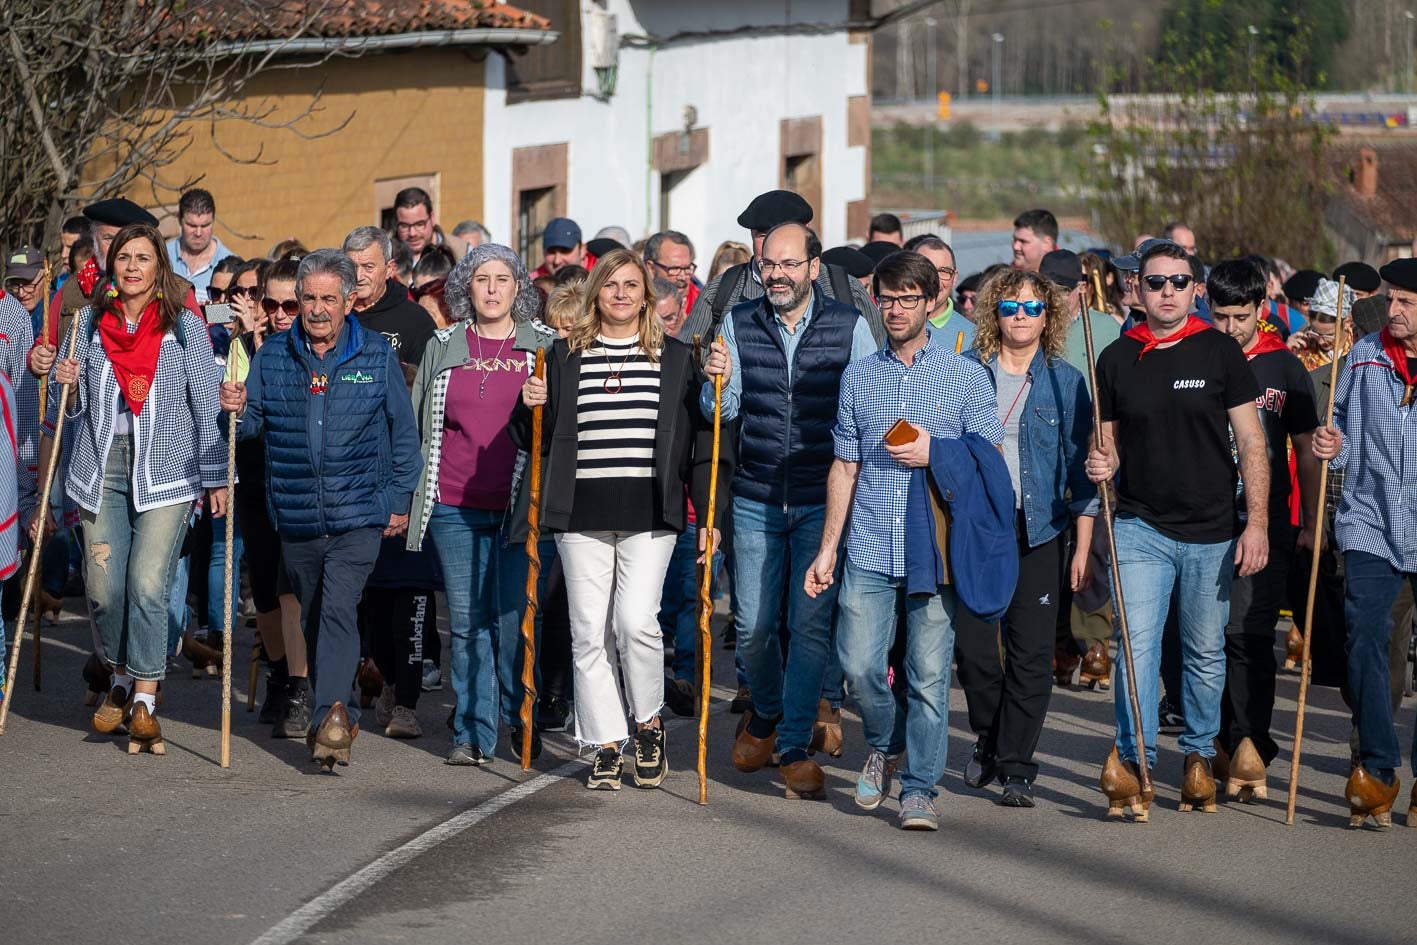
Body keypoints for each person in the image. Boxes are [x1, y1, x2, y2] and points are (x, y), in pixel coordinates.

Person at [512, 247, 729, 790]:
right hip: (580, 512)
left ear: (646, 296)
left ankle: (648, 721)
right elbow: (531, 441)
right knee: (588, 632)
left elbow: (706, 443)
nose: (622, 295)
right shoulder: (561, 357)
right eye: (611, 286)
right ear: (595, 294)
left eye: (632, 286)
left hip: (650, 513)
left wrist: (708, 514)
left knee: (634, 623)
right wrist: (528, 403)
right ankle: (605, 742)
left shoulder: (678, 358)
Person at [806, 250, 1004, 830]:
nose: (895, 310)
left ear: (931, 301)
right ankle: (884, 740)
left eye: (907, 299)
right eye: (886, 299)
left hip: (935, 550)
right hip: (868, 543)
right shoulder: (859, 376)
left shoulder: (966, 374)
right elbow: (844, 466)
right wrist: (827, 548)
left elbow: (989, 461)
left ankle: (920, 788)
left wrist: (934, 452)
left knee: (927, 675)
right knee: (860, 666)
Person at [1087, 239, 1269, 819]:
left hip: (1212, 530)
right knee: (1135, 648)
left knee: (1203, 651)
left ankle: (1195, 759)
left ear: (1195, 289)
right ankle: (1134, 761)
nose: (1167, 291)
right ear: (1137, 288)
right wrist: (1100, 460)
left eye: (1178, 282)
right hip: (1139, 526)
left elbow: (1251, 443)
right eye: (1156, 281)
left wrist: (1257, 523)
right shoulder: (1116, 357)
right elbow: (1106, 443)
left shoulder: (1219, 352)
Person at [220, 249, 422, 769]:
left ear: (349, 301)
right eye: (308, 298)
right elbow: (249, 430)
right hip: (297, 514)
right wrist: (235, 411)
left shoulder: (375, 356)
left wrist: (399, 500)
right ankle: (343, 705)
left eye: (328, 299)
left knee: (336, 607)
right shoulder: (272, 357)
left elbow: (405, 436)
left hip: (359, 512)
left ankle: (329, 720)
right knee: (312, 615)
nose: (316, 309)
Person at [702, 222, 876, 799]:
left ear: (813, 266)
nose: (776, 274)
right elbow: (722, 414)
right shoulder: (739, 322)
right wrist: (714, 382)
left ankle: (794, 744)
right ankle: (769, 713)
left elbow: (871, 406)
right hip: (754, 496)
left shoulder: (849, 326)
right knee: (751, 627)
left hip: (821, 498)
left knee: (808, 626)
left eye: (788, 264)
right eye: (767, 265)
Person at [40, 223, 226, 756]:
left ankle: (143, 697)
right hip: (101, 469)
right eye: (125, 258)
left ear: (158, 268)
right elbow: (70, 415)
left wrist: (215, 475)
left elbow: (204, 402)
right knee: (103, 588)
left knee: (147, 584)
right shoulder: (89, 326)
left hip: (167, 471)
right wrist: (66, 383)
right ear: (113, 266)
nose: (133, 267)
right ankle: (119, 677)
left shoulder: (184, 328)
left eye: (144, 258)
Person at [953, 266, 1098, 808]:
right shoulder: (964, 371)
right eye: (1011, 306)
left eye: (1032, 307)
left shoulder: (1066, 381)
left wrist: (1083, 546)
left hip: (1040, 529)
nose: (1020, 316)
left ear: (1048, 316)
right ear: (994, 310)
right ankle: (991, 736)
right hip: (977, 526)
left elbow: (1079, 471)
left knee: (1032, 654)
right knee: (973, 652)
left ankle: (1016, 765)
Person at [406, 243, 553, 766]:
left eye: (503, 279)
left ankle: (520, 719)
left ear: (520, 288)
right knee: (467, 624)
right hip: (454, 505)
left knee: (515, 622)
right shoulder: (443, 345)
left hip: (522, 509)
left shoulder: (545, 346)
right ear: (465, 287)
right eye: (481, 279)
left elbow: (560, 432)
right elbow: (419, 423)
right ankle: (471, 731)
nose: (492, 289)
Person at [1204, 258, 1321, 804]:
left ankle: (1251, 743)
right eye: (1221, 316)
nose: (1230, 328)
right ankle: (1220, 740)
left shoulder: (1284, 367)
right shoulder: (1197, 356)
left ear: (1261, 311)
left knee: (1249, 634)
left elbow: (1304, 449)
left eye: (1241, 317)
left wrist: (1312, 520)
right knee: (1205, 636)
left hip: (1266, 520)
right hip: (1202, 518)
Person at [1312, 257, 1417, 828]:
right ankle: (1378, 766)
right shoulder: (1364, 358)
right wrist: (1334, 446)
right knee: (1364, 643)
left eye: (1405, 302)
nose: (1392, 311)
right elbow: (1342, 432)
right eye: (1391, 300)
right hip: (1371, 525)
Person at [676, 190, 884, 347]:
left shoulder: (844, 288)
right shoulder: (722, 290)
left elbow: (879, 357)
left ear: (807, 233)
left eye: (783, 233)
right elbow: (687, 362)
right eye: (762, 235)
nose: (773, 245)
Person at [343, 226, 436, 369]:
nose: (358, 276)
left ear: (389, 270)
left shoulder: (416, 320)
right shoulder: (332, 312)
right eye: (352, 267)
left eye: (368, 267)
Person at [166, 188, 235, 303]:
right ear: (179, 220)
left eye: (205, 225)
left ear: (213, 220)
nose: (198, 233)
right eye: (192, 225)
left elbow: (233, 316)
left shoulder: (231, 265)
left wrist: (206, 313)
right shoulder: (162, 255)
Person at [904, 235, 973, 349]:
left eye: (943, 271)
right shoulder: (892, 324)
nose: (934, 279)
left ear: (954, 277)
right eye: (926, 269)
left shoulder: (973, 338)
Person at [394, 187, 465, 266]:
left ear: (432, 218)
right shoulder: (386, 255)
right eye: (404, 226)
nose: (412, 233)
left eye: (419, 224)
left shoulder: (463, 252)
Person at [645, 230, 699, 315]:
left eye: (687, 268)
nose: (682, 277)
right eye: (674, 268)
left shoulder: (705, 305)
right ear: (651, 268)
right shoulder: (635, 304)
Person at [530, 218, 596, 279]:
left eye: (565, 250)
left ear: (582, 250)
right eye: (551, 251)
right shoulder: (530, 283)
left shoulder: (601, 276)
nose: (557, 261)